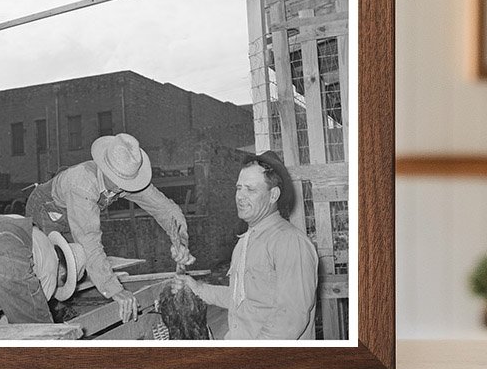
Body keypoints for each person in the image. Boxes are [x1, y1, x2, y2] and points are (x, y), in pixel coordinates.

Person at [26, 133, 195, 324]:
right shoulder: (82, 184)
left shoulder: (128, 175)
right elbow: (89, 240)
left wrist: (180, 241)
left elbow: (165, 208)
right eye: (122, 182)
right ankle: (47, 321)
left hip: (76, 207)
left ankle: (63, 310)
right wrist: (114, 289)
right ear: (107, 170)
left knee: (78, 267)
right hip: (47, 209)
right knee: (54, 270)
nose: (128, 187)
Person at [177, 151, 318, 340]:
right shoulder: (246, 240)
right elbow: (243, 299)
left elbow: (291, 317)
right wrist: (198, 289)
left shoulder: (289, 242)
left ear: (273, 195)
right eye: (238, 188)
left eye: (250, 190)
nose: (240, 197)